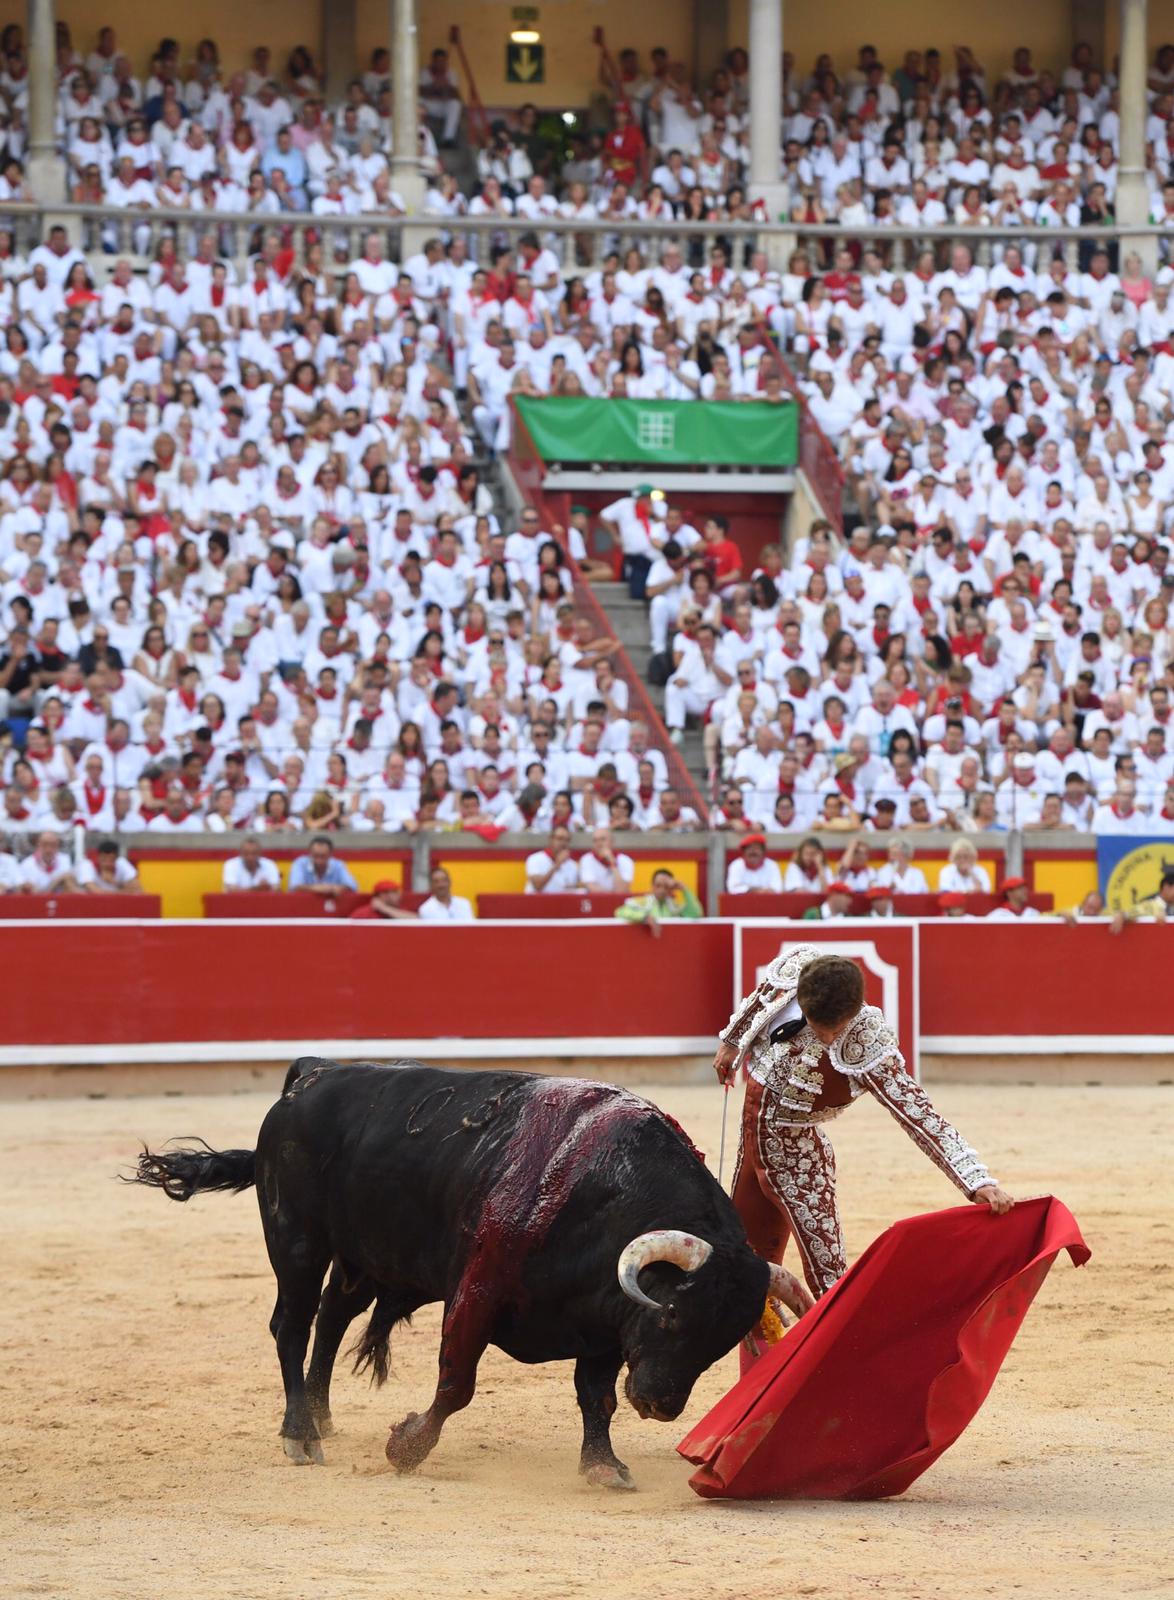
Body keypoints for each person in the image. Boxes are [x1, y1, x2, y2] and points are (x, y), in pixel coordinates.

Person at [713, 947, 1014, 1300]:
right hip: (753, 1140)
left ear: (855, 1011)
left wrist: (976, 1179)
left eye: (833, 1029)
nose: (824, 1037)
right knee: (745, 1256)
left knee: (829, 1276)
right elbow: (763, 996)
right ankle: (767, 1354)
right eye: (815, 1023)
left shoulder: (868, 1043)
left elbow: (919, 1115)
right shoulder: (796, 971)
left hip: (797, 1154)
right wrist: (732, 1042)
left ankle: (843, 1351)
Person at [614, 868, 702, 933]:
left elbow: (696, 913)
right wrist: (645, 917)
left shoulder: (674, 907)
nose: (662, 890)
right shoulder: (643, 902)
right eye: (658, 885)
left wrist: (683, 888)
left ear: (671, 889)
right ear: (652, 886)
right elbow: (620, 912)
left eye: (666, 886)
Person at [287, 834, 359, 895]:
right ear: (310, 853)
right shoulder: (300, 863)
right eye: (316, 856)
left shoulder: (338, 865)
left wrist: (335, 888)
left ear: (330, 854)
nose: (319, 860)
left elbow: (353, 887)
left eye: (323, 856)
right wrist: (316, 888)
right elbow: (294, 887)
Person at [350, 879, 419, 920]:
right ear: (380, 896)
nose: (393, 896)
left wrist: (384, 908)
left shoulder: (401, 909)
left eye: (396, 892)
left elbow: (416, 920)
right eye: (386, 893)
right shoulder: (363, 913)